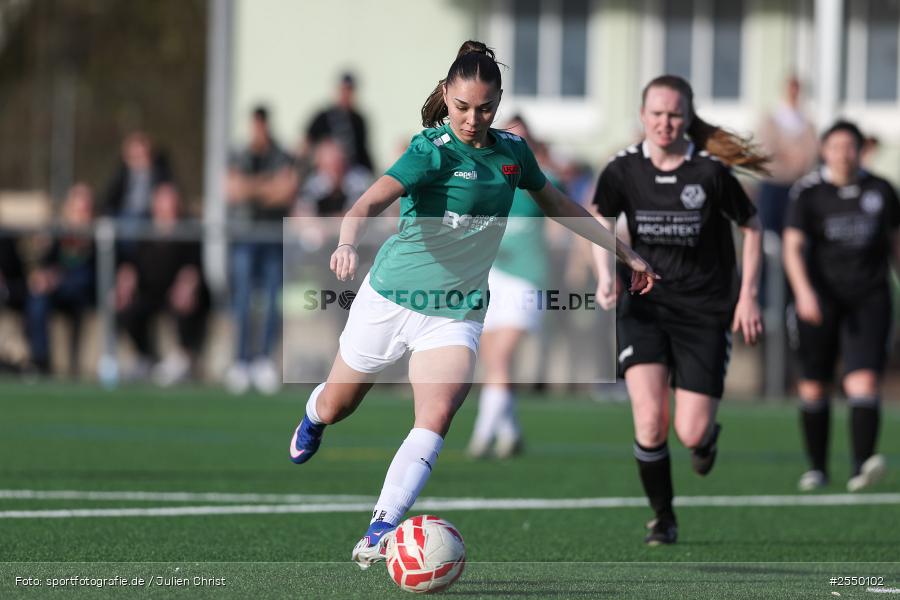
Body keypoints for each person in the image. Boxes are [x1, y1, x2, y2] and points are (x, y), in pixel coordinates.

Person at [287, 41, 657, 569]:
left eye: (484, 108)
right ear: (446, 96)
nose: (472, 118)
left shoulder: (513, 154)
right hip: (390, 298)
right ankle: (314, 414)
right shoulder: (429, 150)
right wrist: (346, 242)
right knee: (339, 404)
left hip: (455, 310)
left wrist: (625, 253)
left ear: (499, 101)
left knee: (438, 411)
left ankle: (381, 527)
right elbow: (367, 201)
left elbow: (563, 207)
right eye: (462, 107)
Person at [592, 74, 766, 546]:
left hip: (705, 310)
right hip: (644, 306)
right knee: (650, 419)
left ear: (687, 118)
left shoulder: (709, 172)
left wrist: (747, 294)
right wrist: (606, 276)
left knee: (690, 432)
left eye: (674, 114)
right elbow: (597, 218)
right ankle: (663, 517)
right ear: (642, 116)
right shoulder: (623, 168)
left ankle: (706, 439)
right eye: (656, 114)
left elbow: (752, 227)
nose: (665, 123)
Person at [783, 120, 898, 493]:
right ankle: (817, 467)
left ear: (861, 149)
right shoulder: (809, 192)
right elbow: (792, 246)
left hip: (869, 298)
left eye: (850, 146)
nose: (843, 154)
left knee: (863, 380)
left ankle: (861, 466)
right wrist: (802, 292)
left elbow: (896, 244)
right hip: (820, 299)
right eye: (836, 147)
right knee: (815, 386)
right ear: (824, 150)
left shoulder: (881, 190)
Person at [466, 114, 553, 459]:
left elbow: (566, 210)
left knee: (500, 357)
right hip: (493, 278)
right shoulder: (491, 181)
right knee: (493, 362)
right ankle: (510, 431)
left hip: (526, 279)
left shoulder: (539, 180)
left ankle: (482, 435)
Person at [225, 105, 298, 394]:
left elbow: (287, 191)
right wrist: (268, 186)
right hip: (244, 237)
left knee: (271, 301)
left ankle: (262, 360)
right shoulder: (240, 154)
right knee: (242, 300)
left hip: (272, 237)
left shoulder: (281, 154)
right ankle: (240, 361)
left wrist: (251, 188)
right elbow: (232, 190)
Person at [115, 183, 210, 385]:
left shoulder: (189, 230)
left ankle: (184, 358)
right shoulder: (145, 230)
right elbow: (131, 263)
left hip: (179, 291)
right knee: (127, 307)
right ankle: (145, 356)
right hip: (150, 291)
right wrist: (126, 277)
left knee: (186, 304)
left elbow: (194, 267)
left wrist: (188, 283)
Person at [26, 183, 96, 376]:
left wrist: (58, 278)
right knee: (37, 298)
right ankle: (40, 360)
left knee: (78, 281)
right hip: (57, 292)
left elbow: (91, 276)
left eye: (85, 210)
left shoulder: (98, 238)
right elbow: (44, 264)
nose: (80, 215)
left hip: (85, 293)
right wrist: (42, 272)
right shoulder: (57, 235)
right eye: (76, 209)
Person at [756, 75, 818, 236]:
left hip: (797, 185)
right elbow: (766, 149)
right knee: (770, 232)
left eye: (796, 88)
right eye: (791, 87)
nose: (793, 92)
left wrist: (799, 162)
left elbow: (812, 151)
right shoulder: (772, 118)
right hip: (774, 184)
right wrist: (789, 156)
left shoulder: (806, 121)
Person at [304, 72, 374, 172]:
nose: (346, 94)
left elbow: (363, 151)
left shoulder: (358, 120)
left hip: (351, 171)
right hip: (325, 171)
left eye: (349, 90)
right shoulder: (323, 117)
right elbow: (306, 143)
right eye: (343, 90)